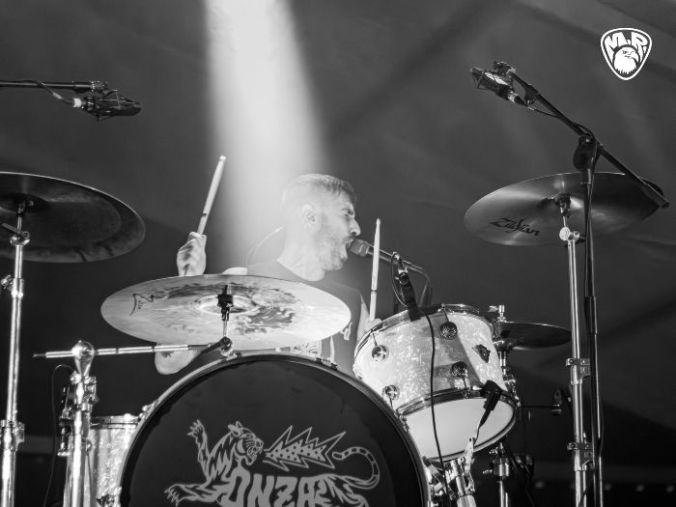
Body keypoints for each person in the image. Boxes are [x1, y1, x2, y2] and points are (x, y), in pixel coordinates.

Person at [155, 173, 370, 375]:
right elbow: (169, 362)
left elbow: (376, 387)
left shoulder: (353, 302)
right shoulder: (242, 283)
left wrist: (380, 353)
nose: (356, 228)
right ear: (310, 217)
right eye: (347, 214)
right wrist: (186, 282)